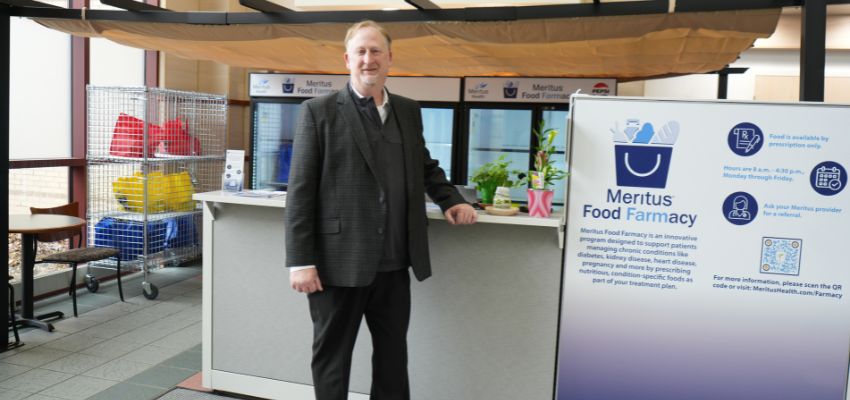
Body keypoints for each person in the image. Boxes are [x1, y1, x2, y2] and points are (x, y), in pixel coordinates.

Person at [284, 20, 478, 400]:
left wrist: (451, 199)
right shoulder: (318, 112)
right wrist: (300, 260)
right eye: (360, 51)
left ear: (390, 59)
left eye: (376, 51)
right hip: (337, 264)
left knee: (392, 357)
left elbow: (423, 164)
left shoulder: (407, 110)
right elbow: (300, 192)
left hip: (394, 262)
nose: (368, 59)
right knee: (332, 358)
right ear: (347, 60)